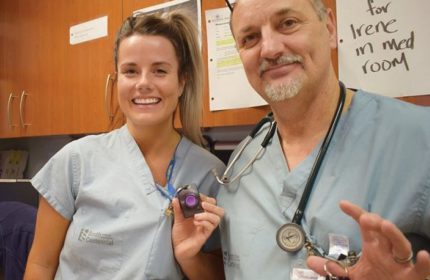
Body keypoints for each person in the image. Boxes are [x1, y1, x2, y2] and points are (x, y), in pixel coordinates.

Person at [217, 0, 430, 279]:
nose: (269, 49)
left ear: (329, 28)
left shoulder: (418, 138)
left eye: (288, 23)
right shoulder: (241, 162)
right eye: (250, 38)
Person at [24, 10, 225, 280]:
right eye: (130, 71)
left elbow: (220, 275)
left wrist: (188, 255)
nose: (143, 83)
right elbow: (41, 266)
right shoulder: (75, 161)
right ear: (117, 79)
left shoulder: (210, 174)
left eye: (159, 71)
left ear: (182, 82)